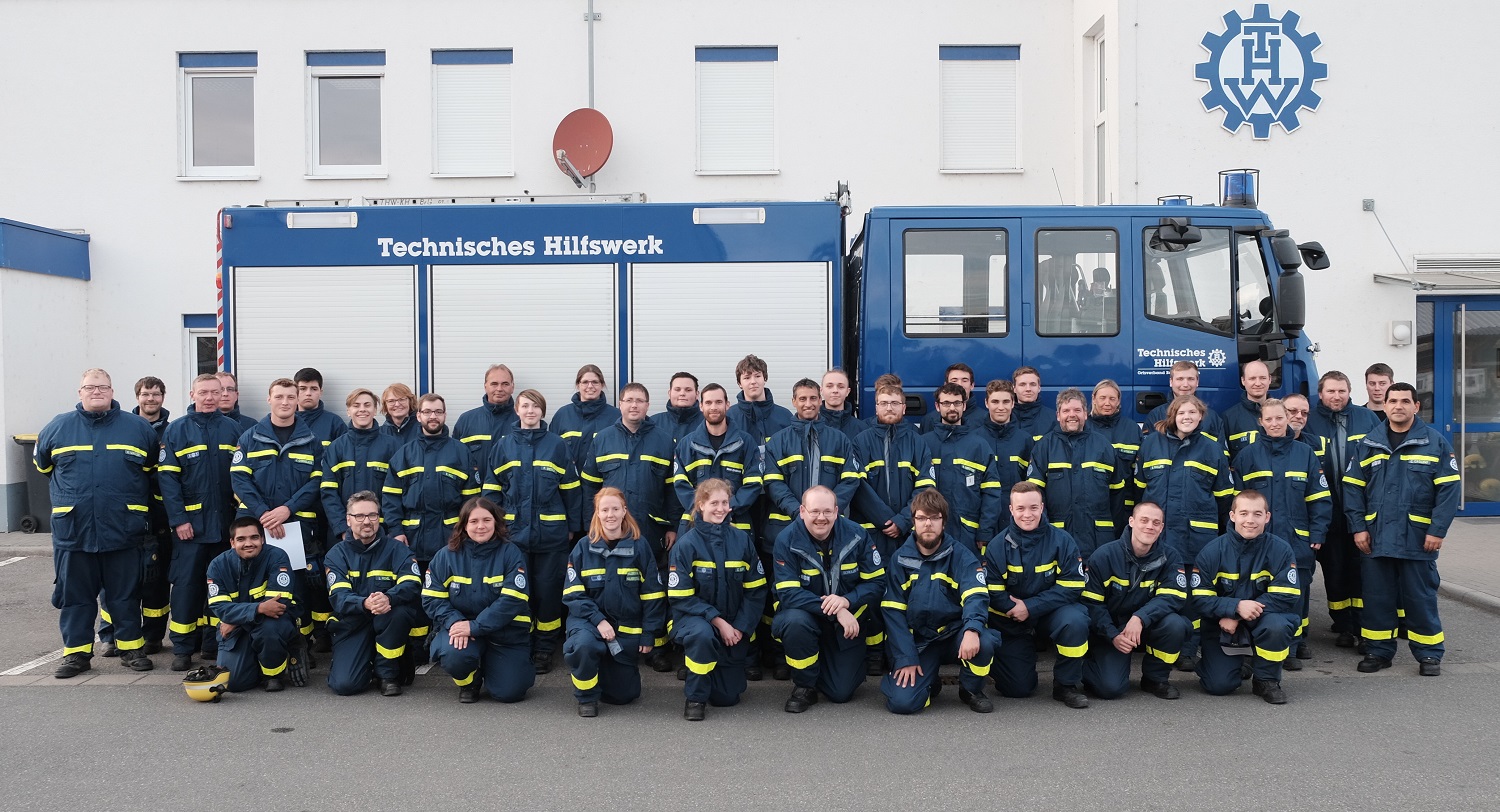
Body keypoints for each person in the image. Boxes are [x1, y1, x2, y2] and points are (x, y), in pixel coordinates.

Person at [34, 368, 159, 677]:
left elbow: (150, 470)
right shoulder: (57, 428)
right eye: (90, 387)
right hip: (75, 531)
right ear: (80, 392)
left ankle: (130, 649)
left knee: (125, 595)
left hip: (123, 529)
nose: (96, 392)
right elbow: (44, 466)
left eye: (102, 387)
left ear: (112, 391)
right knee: (75, 597)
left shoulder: (138, 428)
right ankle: (76, 655)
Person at [1345, 383, 1459, 677]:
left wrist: (1437, 530)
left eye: (1405, 401)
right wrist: (1358, 528)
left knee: (1420, 598)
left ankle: (1429, 653)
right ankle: (1378, 651)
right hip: (1376, 537)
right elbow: (1353, 489)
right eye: (1393, 401)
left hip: (1418, 538)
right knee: (1376, 598)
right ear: (1384, 406)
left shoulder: (1435, 443)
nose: (1398, 406)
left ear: (1416, 406)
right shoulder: (1369, 443)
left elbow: (1448, 491)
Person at [760, 378, 864, 677]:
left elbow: (850, 479)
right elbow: (773, 482)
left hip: (829, 530)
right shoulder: (778, 441)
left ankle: (830, 647)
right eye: (802, 398)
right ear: (793, 401)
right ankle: (782, 656)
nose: (808, 403)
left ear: (820, 401)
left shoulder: (839, 440)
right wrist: (799, 512)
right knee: (781, 595)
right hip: (785, 532)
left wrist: (828, 511)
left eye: (813, 398)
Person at [481, 389, 583, 674]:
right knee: (517, 592)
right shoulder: (503, 446)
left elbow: (571, 490)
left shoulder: (557, 445)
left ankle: (544, 648)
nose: (530, 411)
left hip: (552, 536)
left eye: (535, 406)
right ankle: (520, 643)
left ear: (542, 411)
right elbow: (491, 491)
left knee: (548, 593)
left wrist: (572, 527)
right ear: (517, 410)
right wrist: (494, 526)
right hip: (513, 536)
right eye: (525, 406)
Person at [1232, 398, 1331, 667]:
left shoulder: (1305, 453)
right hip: (1257, 539)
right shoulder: (1247, 456)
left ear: (1287, 418)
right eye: (1269, 419)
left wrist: (1318, 533)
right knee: (1257, 588)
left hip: (1296, 537)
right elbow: (1236, 502)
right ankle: (1258, 644)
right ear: (1261, 422)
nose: (1275, 423)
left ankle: (1294, 645)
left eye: (1279, 418)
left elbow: (1320, 498)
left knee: (1297, 592)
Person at [880, 489, 996, 714]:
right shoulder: (900, 560)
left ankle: (971, 690)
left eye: (934, 518)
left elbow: (976, 595)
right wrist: (906, 657)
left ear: (944, 522)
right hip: (921, 642)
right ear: (913, 521)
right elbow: (893, 612)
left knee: (984, 642)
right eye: (922, 518)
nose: (928, 524)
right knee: (903, 703)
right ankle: (929, 682)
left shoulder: (962, 556)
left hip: (955, 636)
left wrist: (972, 629)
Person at [772, 486, 886, 712]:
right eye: (814, 511)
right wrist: (837, 608)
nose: (821, 518)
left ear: (836, 511)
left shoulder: (857, 534)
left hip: (845, 626)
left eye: (827, 511)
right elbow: (788, 593)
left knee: (840, 693)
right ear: (802, 511)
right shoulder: (786, 539)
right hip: (807, 618)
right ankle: (805, 686)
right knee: (795, 622)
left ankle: (827, 663)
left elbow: (877, 583)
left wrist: (847, 601)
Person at [230, 378, 326, 646]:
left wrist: (287, 509)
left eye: (290, 397)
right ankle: (251, 640)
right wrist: (265, 513)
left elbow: (317, 482)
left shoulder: (311, 441)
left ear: (297, 401)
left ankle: (299, 642)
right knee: (252, 580)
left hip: (295, 526)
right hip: (256, 525)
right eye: (279, 396)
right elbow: (239, 480)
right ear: (269, 399)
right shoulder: (249, 438)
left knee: (296, 585)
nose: (285, 402)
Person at [159, 373, 243, 671]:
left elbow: (242, 478)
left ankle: (212, 643)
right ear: (192, 394)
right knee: (187, 588)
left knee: (220, 587)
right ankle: (182, 648)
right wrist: (179, 519)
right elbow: (168, 480)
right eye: (203, 392)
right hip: (190, 529)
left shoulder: (233, 430)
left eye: (215, 393)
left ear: (223, 395)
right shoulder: (176, 430)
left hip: (224, 527)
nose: (209, 398)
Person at [984, 482, 1091, 709]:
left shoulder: (1062, 540)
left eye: (1033, 508)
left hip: (1048, 616)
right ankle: (1008, 662)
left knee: (1075, 620)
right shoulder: (996, 546)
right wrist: (1016, 610)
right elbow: (993, 592)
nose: (1027, 514)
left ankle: (1066, 685)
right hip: (1011, 621)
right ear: (1011, 510)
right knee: (1017, 689)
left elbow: (1073, 585)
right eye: (1020, 508)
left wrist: (1030, 607)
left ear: (1042, 507)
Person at [850, 383, 934, 675]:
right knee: (874, 592)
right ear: (875, 406)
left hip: (907, 535)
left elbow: (925, 487)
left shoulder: (917, 442)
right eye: (884, 403)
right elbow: (856, 485)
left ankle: (902, 651)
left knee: (907, 593)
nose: (889, 407)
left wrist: (902, 521)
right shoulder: (860, 441)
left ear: (903, 407)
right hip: (871, 534)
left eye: (894, 403)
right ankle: (874, 653)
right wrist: (886, 520)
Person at [668, 479, 768, 721]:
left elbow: (756, 591)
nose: (721, 508)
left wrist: (740, 627)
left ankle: (710, 673)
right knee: (701, 636)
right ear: (701, 505)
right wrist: (718, 622)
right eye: (714, 503)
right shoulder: (686, 544)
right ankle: (695, 698)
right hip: (695, 621)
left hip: (733, 626)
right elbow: (681, 597)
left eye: (725, 503)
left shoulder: (742, 540)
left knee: (727, 698)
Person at [562, 488, 668, 716]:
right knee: (584, 646)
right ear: (597, 513)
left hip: (624, 629)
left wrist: (649, 634)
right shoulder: (582, 547)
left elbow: (653, 594)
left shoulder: (639, 546)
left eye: (615, 509)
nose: (610, 514)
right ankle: (586, 697)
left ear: (624, 511)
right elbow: (573, 594)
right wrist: (598, 620)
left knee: (623, 696)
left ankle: (604, 667)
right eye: (604, 510)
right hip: (588, 623)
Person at [1190, 490, 1301, 704]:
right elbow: (1199, 599)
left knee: (1277, 626)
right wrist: (1234, 607)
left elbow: (1287, 594)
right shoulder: (1212, 552)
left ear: (1267, 517)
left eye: (1257, 514)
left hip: (1263, 619)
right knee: (1218, 686)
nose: (1250, 520)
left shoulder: (1281, 550)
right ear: (1232, 516)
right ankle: (1228, 663)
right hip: (1222, 626)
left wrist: (1238, 614)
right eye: (1243, 513)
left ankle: (1266, 681)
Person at [421, 497, 535, 703]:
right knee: (455, 656)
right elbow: (432, 598)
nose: (481, 526)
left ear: (496, 522)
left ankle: (496, 665)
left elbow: (513, 600)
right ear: (464, 525)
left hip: (505, 633)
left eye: (487, 520)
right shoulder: (445, 556)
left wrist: (475, 627)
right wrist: (455, 622)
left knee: (509, 693)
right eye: (473, 521)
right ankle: (470, 682)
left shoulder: (511, 553)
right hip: (461, 630)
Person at [1303, 370, 1383, 648]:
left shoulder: (1367, 418)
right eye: (1331, 391)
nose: (1336, 396)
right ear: (1320, 393)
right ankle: (1343, 625)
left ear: (1349, 392)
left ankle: (1362, 625)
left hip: (1360, 508)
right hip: (1328, 511)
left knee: (1361, 570)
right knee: (1334, 570)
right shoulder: (1309, 421)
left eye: (1341, 391)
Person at [1080, 501, 1191, 700]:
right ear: (1131, 521)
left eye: (1156, 523)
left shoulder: (1170, 557)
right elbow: (1092, 605)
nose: (1150, 526)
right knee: (1110, 689)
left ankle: (1155, 679)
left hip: (1146, 626)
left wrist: (1140, 617)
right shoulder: (1104, 556)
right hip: (1112, 631)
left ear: (1161, 527)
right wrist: (1112, 635)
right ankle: (1089, 667)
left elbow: (1172, 597)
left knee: (1175, 624)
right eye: (1144, 520)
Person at [323, 491, 423, 696]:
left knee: (399, 613)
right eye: (359, 516)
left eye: (372, 515)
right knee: (345, 685)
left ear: (379, 517)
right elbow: (338, 596)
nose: (367, 521)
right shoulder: (336, 554)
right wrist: (364, 603)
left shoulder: (397, 549)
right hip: (353, 622)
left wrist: (389, 597)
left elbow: (412, 583)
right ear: (348, 520)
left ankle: (388, 674)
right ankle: (363, 660)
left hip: (387, 617)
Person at [206, 516, 306, 692]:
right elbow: (220, 608)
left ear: (262, 539)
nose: (248, 543)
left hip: (269, 623)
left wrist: (236, 619)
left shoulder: (277, 556)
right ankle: (256, 662)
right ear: (232, 542)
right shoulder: (217, 565)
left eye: (254, 537)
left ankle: (273, 675)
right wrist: (258, 608)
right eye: (241, 539)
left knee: (270, 629)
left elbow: (278, 605)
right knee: (233, 683)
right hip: (241, 627)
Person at [108, 375, 170, 654]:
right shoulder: (122, 429)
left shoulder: (171, 431)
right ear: (137, 397)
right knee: (118, 580)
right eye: (145, 394)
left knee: (156, 580)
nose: (150, 399)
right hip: (124, 517)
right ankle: (111, 635)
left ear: (163, 398)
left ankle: (153, 637)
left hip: (158, 518)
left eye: (156, 394)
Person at [384, 394, 482, 569]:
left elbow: (472, 501)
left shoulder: (461, 452)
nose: (433, 416)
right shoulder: (404, 455)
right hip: (411, 542)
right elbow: (391, 499)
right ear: (418, 416)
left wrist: (464, 533)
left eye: (438, 412)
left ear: (445, 415)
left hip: (451, 541)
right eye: (427, 412)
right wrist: (396, 531)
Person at [1025, 388, 1125, 557]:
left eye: (1077, 410)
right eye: (1066, 411)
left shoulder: (1103, 446)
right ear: (1058, 415)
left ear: (1085, 414)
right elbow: (1034, 496)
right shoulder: (1044, 447)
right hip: (1057, 540)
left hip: (1099, 541)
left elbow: (1117, 496)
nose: (1072, 415)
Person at [671, 383, 762, 534]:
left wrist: (725, 508)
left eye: (718, 402)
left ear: (727, 405)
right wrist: (705, 509)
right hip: (694, 527)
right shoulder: (686, 445)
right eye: (708, 402)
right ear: (701, 406)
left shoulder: (746, 443)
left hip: (736, 527)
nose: (713, 407)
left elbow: (754, 483)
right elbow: (681, 484)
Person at [924, 383, 1004, 554]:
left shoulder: (979, 445)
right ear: (937, 406)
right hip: (929, 533)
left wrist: (985, 531)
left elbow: (991, 492)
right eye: (946, 403)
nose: (952, 408)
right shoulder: (924, 444)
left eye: (957, 403)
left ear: (964, 406)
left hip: (968, 535)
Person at [320, 388, 402, 544]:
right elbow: (328, 492)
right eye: (356, 405)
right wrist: (342, 529)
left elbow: (398, 493)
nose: (362, 409)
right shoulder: (336, 448)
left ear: (375, 410)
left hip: (383, 533)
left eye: (367, 405)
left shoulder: (392, 446)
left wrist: (393, 529)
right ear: (348, 411)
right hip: (344, 536)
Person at [974, 380, 1034, 518]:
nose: (1001, 407)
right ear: (986, 403)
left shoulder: (1025, 440)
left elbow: (1030, 483)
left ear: (1013, 403)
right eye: (995, 402)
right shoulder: (974, 440)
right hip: (982, 517)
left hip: (1016, 517)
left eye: (1006, 402)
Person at [1087, 378, 1140, 527]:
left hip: (1124, 508)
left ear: (1118, 401)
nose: (1107, 403)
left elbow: (1138, 472)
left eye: (1112, 399)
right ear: (1094, 399)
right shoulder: (1083, 427)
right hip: (1090, 507)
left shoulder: (1132, 429)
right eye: (1102, 398)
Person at [552, 364, 622, 475]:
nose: (590, 386)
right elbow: (552, 451)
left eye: (595, 382)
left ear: (602, 385)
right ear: (578, 385)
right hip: (568, 483)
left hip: (603, 483)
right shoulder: (562, 415)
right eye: (585, 382)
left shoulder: (615, 416)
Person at [452, 364, 520, 474]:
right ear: (485, 386)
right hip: (475, 485)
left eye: (505, 384)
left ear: (512, 387)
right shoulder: (466, 420)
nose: (499, 389)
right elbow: (454, 460)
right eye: (494, 384)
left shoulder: (522, 422)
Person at [1142, 361, 1228, 447]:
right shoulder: (1155, 415)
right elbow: (1147, 450)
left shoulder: (1212, 417)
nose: (1185, 384)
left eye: (1190, 379)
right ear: (1171, 382)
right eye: (1180, 379)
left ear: (1197, 382)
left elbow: (1220, 452)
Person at [726, 353, 793, 445]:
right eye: (747, 378)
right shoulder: (729, 418)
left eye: (757, 376)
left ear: (765, 378)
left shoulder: (785, 416)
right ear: (739, 383)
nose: (753, 381)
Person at [1220, 360, 1273, 457]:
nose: (1258, 383)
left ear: (1269, 379)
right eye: (1252, 378)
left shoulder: (1283, 413)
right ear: (1243, 381)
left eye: (1263, 378)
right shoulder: (1229, 418)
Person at [919, 363, 984, 433]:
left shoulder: (984, 419)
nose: (959, 384)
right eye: (954, 381)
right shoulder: (929, 420)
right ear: (946, 385)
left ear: (972, 385)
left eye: (964, 380)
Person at [294, 367, 348, 448]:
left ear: (320, 392)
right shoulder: (284, 421)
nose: (308, 393)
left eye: (314, 389)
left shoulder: (334, 423)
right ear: (295, 391)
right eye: (303, 389)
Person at [650, 371, 703, 443]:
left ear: (697, 394)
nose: (682, 393)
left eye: (688, 390)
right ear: (669, 393)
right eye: (677, 389)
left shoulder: (707, 423)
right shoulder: (653, 423)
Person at [817, 368, 865, 441]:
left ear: (847, 392)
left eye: (841, 387)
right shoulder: (811, 427)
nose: (835, 390)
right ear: (821, 390)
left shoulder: (862, 429)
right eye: (829, 386)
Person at [1012, 366, 1058, 441]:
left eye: (1032, 384)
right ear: (1014, 388)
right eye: (1022, 384)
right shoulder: (1004, 417)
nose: (1028, 389)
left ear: (1039, 388)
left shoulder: (1054, 419)